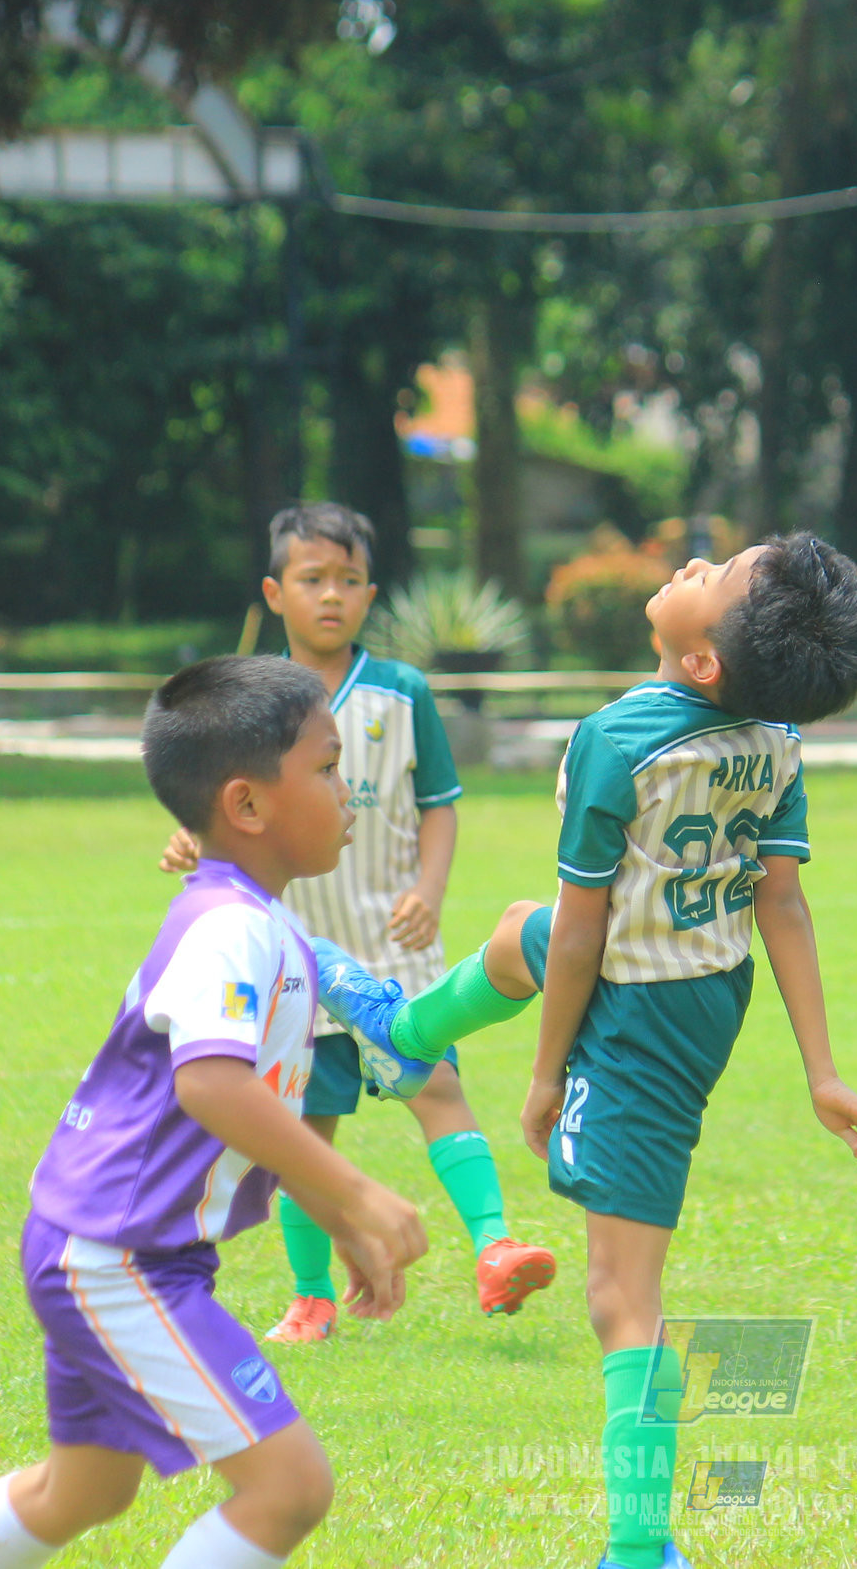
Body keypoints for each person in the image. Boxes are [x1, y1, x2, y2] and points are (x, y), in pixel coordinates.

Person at [0, 655, 546, 1569]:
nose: (350, 791)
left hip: (98, 1241)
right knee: (289, 1486)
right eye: (328, 769)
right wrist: (357, 1193)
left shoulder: (264, 922)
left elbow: (255, 1105)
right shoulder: (229, 927)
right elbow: (209, 1086)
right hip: (118, 1257)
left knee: (86, 1486)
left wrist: (332, 1213)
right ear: (247, 806)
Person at [514, 533, 857, 1569]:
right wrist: (820, 1069)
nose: (692, 561)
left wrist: (548, 1073)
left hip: (635, 1013)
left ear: (701, 661)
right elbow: (784, 900)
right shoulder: (773, 738)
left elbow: (587, 932)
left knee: (617, 1295)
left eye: (714, 573)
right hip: (705, 988)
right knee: (520, 932)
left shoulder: (615, 738)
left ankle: (639, 1547)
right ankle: (408, 1028)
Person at [162, 502, 557, 1342]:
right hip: (293, 957)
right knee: (303, 1125)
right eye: (312, 580)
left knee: (438, 1089)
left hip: (391, 940)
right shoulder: (252, 700)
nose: (330, 596)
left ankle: (495, 1248)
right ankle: (311, 1294)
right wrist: (190, 838)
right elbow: (224, 802)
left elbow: (440, 806)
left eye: (347, 580)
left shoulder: (403, 692)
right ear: (275, 591)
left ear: (370, 593)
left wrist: (429, 888)